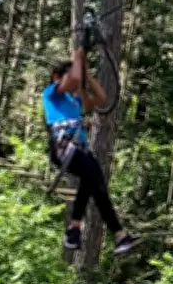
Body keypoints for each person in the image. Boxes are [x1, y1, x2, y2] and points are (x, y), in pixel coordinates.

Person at [42, 45, 140, 253]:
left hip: (78, 149)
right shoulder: (51, 94)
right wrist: (78, 58)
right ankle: (101, 231)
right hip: (63, 147)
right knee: (93, 178)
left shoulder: (75, 101)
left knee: (97, 186)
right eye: (68, 75)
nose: (73, 80)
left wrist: (86, 72)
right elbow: (74, 81)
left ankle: (111, 234)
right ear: (57, 77)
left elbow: (101, 97)